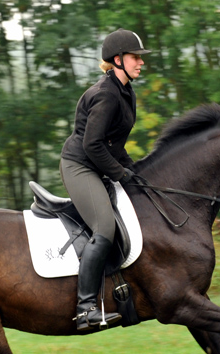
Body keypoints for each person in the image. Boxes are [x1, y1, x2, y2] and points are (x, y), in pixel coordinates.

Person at [60, 29, 151, 332]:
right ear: (117, 60)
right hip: (80, 166)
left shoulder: (126, 90)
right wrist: (120, 173)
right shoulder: (107, 94)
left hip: (99, 164)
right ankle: (85, 308)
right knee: (105, 227)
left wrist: (134, 171)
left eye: (140, 57)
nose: (141, 63)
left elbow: (114, 144)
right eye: (135, 57)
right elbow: (92, 145)